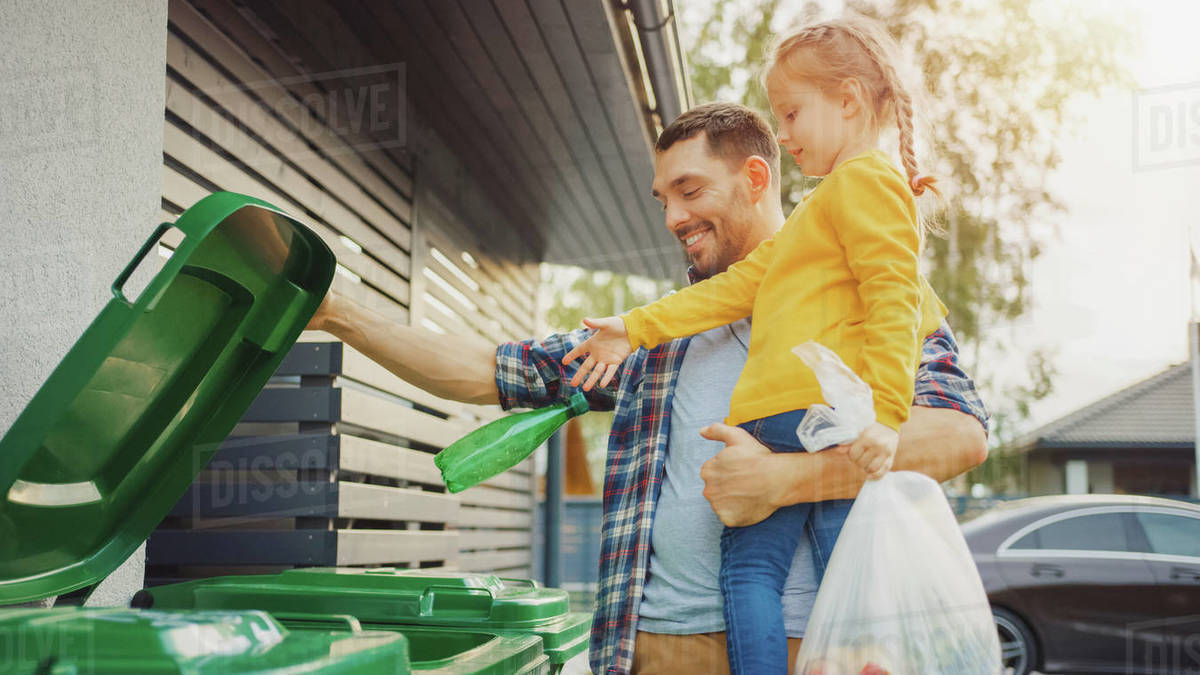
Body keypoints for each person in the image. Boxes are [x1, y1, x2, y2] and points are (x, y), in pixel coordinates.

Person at [305, 104, 989, 674]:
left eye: (691, 191)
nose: (672, 218)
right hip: (656, 649)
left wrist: (786, 478)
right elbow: (491, 369)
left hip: (812, 649)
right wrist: (340, 315)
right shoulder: (653, 336)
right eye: (663, 199)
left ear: (756, 178)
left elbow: (959, 436)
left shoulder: (871, 291)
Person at [561, 16, 947, 674]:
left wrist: (886, 413)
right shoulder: (818, 214)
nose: (786, 132)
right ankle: (864, 655)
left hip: (794, 418)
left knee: (751, 573)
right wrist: (635, 327)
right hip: (805, 420)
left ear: (849, 101)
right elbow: (733, 290)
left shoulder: (863, 183)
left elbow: (895, 301)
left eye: (793, 114)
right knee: (841, 562)